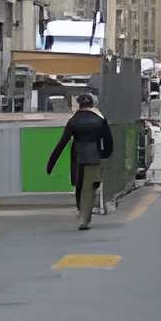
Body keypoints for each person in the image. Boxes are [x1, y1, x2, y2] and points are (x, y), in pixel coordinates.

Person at [46, 91, 117, 229]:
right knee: (89, 189)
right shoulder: (100, 120)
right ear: (92, 104)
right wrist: (104, 154)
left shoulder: (73, 121)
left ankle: (81, 213)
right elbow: (109, 141)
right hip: (94, 158)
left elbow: (62, 143)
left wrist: (50, 164)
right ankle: (85, 219)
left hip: (78, 157)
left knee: (79, 187)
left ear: (79, 105)